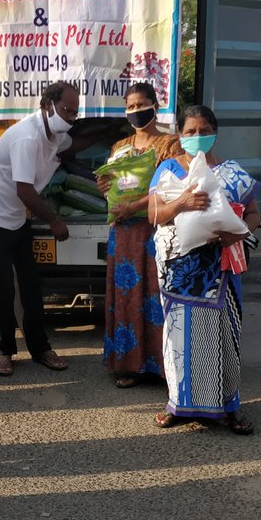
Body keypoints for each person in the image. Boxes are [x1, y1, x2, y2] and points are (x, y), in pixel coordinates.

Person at [148, 105, 260, 433]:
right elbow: (153, 215)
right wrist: (180, 204)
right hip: (179, 271)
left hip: (222, 268)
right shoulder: (168, 169)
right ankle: (178, 405)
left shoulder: (232, 172)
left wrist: (238, 231)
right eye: (191, 131)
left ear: (215, 132)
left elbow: (253, 214)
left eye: (204, 130)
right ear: (180, 135)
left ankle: (230, 407)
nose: (198, 136)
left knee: (225, 337)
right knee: (179, 339)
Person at [0, 82, 78, 377]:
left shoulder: (55, 133)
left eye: (74, 113)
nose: (70, 117)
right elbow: (25, 191)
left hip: (17, 217)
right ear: (47, 105)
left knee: (30, 285)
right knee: (1, 288)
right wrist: (55, 220)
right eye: (67, 110)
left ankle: (40, 347)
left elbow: (73, 144)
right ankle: (4, 350)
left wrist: (107, 133)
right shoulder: (26, 137)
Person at [100, 83, 182, 388]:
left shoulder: (170, 145)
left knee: (157, 295)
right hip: (122, 233)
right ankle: (128, 365)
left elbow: (170, 187)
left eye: (142, 104)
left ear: (155, 106)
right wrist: (104, 189)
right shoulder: (118, 147)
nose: (136, 111)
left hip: (156, 228)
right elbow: (110, 184)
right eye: (131, 106)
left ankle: (162, 366)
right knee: (126, 296)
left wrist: (134, 205)